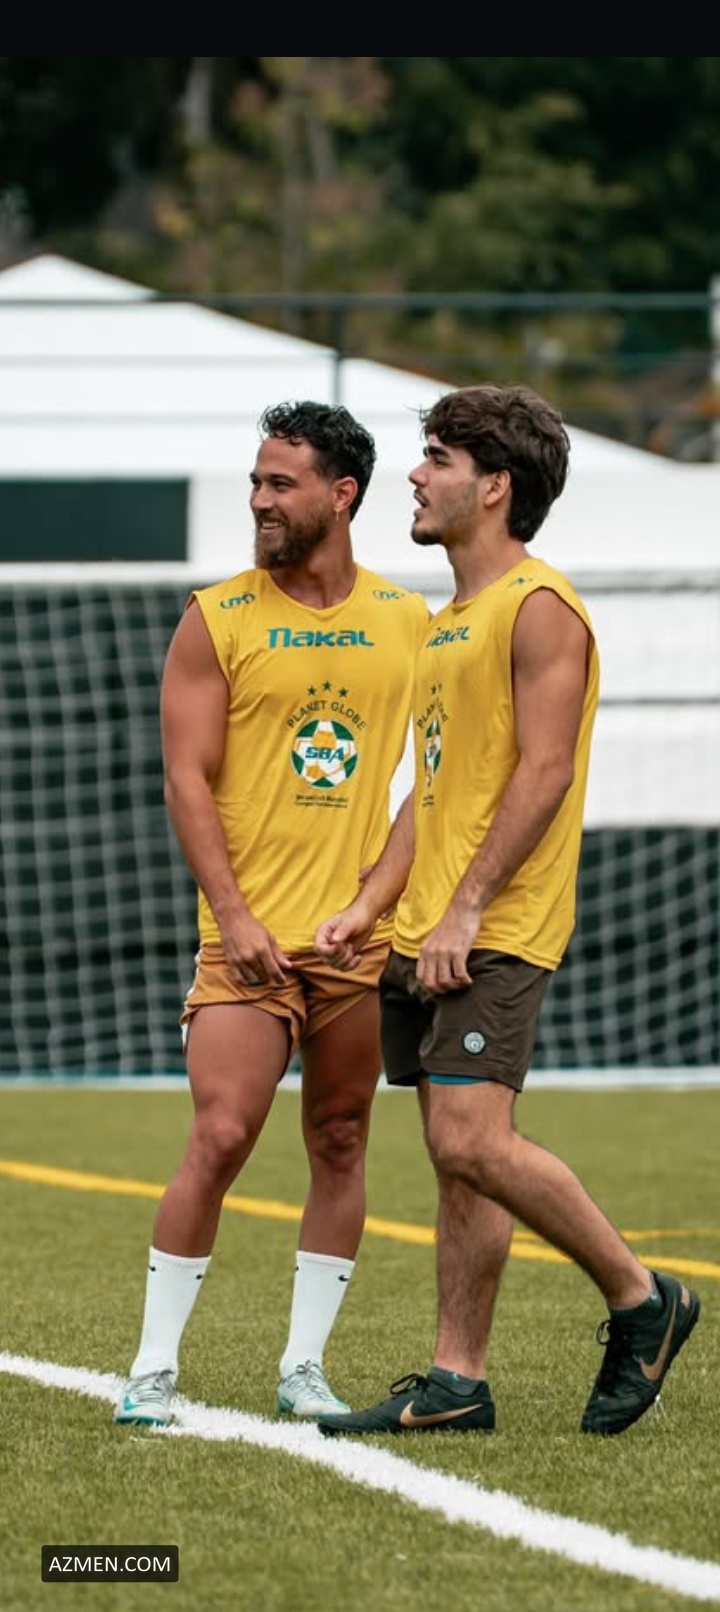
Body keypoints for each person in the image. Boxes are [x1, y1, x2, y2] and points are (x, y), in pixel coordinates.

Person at [313, 382, 701, 1440]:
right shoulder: (449, 624)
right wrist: (372, 904)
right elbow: (430, 794)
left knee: (471, 1138)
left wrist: (466, 909)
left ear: (494, 485)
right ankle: (457, 1379)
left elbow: (544, 771)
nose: (414, 474)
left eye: (437, 458)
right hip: (429, 930)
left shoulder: (539, 607)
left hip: (494, 927)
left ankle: (643, 1298)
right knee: (456, 1154)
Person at [113, 399, 428, 1427]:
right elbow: (186, 781)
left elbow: (441, 782)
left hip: (358, 947)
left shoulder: (409, 622)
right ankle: (151, 1370)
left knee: (341, 1139)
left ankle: (303, 1368)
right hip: (244, 946)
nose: (259, 499)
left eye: (280, 482)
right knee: (220, 1134)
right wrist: (235, 916)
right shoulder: (217, 617)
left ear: (342, 493)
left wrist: (375, 902)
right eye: (255, 481)